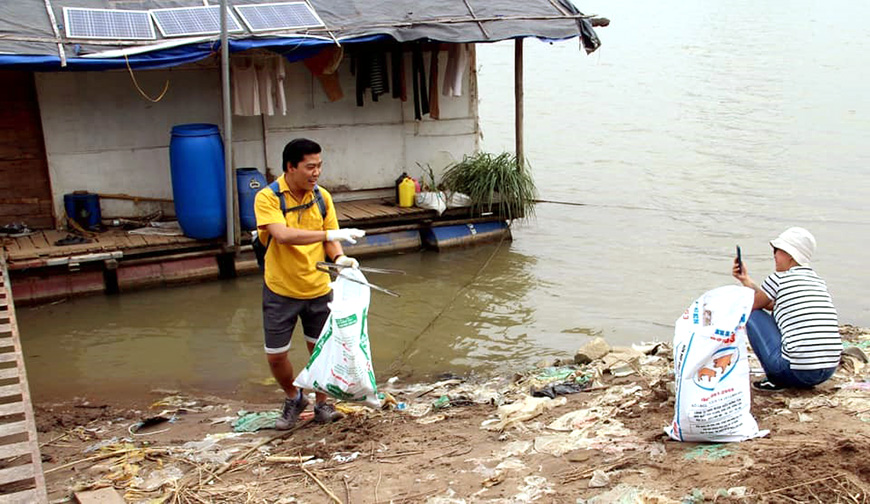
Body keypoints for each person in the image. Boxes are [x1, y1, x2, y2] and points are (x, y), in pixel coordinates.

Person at [254, 138, 365, 429]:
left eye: (319, 166)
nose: (316, 173)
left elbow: (332, 239)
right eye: (310, 167)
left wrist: (339, 258)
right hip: (281, 289)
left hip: (318, 288)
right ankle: (294, 397)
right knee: (276, 356)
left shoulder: (322, 197)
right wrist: (329, 238)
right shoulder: (268, 197)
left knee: (322, 351)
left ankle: (323, 404)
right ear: (291, 167)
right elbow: (283, 235)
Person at [732, 227, 842, 391]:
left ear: (790, 254)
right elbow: (775, 305)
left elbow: (753, 304)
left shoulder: (779, 278)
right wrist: (746, 280)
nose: (774, 256)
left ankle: (774, 379)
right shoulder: (817, 282)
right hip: (826, 371)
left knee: (751, 313)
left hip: (794, 372)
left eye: (776, 250)